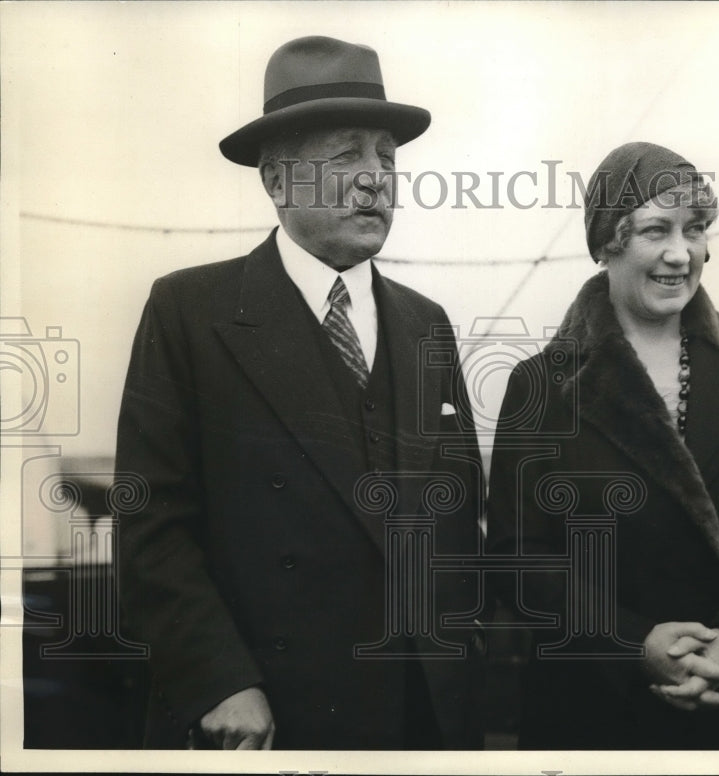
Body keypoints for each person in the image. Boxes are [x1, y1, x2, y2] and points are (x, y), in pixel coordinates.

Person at [115, 36, 484, 750]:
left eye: (388, 157)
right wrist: (217, 678)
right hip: (265, 718)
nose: (377, 179)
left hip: (423, 720)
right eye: (348, 157)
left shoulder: (424, 322)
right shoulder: (191, 311)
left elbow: (458, 517)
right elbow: (150, 523)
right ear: (278, 181)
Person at [486, 142, 719, 749]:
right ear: (605, 245)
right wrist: (632, 645)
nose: (681, 254)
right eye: (655, 230)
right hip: (592, 715)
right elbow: (519, 556)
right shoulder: (542, 386)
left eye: (694, 230)